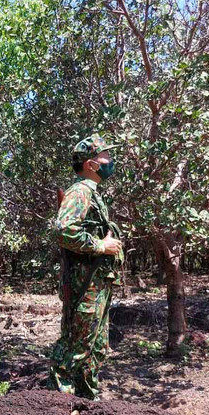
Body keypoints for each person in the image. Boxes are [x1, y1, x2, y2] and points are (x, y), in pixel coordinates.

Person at [48, 134, 124, 400]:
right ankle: (59, 403)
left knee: (96, 346)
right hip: (84, 283)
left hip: (97, 282)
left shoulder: (92, 192)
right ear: (91, 164)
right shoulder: (79, 192)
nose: (110, 161)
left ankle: (88, 399)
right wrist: (100, 246)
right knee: (76, 345)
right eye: (105, 157)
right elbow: (64, 230)